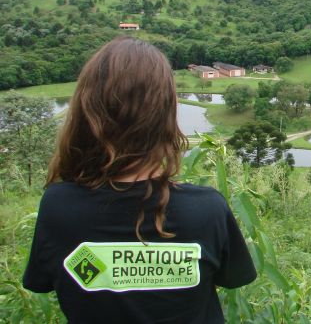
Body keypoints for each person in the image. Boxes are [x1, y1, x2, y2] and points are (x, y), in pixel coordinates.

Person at [23, 37, 256, 323]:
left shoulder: (59, 206)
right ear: (165, 116)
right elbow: (234, 278)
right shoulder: (206, 209)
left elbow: (42, 281)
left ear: (87, 111)